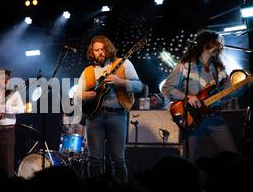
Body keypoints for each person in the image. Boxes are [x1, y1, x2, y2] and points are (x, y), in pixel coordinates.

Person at [161, 30, 252, 162]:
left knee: (233, 157)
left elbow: (227, 95)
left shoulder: (218, 69)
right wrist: (186, 97)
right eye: (217, 43)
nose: (220, 47)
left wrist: (245, 83)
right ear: (206, 44)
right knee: (189, 161)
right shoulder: (184, 66)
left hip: (215, 117)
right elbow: (167, 88)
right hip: (193, 119)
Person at [77, 35, 142, 183]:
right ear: (92, 52)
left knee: (118, 159)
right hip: (94, 118)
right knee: (94, 158)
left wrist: (121, 82)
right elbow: (76, 95)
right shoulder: (87, 71)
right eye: (96, 50)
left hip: (117, 116)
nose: (100, 52)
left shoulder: (123, 63)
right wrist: (83, 96)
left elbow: (139, 86)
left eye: (102, 49)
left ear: (108, 49)